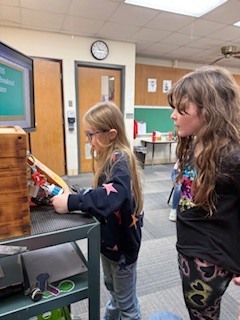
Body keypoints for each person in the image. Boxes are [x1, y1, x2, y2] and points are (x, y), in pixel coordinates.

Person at [51, 101, 144, 320]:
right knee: (115, 292)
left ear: (111, 134)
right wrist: (81, 193)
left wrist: (73, 202)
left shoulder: (121, 158)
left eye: (91, 134)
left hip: (122, 249)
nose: (87, 140)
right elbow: (103, 191)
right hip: (110, 244)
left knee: (127, 305)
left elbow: (111, 196)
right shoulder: (109, 158)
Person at [167, 65, 240, 319]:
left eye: (180, 108)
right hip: (190, 244)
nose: (173, 116)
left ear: (208, 110)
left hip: (210, 257)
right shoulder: (195, 143)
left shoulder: (232, 157)